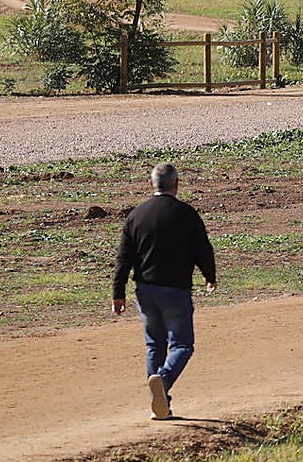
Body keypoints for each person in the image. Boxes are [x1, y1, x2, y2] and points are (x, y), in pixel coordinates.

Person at [112, 163, 216, 421]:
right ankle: (165, 380)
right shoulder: (186, 214)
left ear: (151, 185)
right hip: (175, 292)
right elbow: (203, 249)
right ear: (177, 185)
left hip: (145, 291)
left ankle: (161, 406)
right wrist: (209, 276)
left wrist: (118, 292)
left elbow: (123, 259)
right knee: (182, 345)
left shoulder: (136, 215)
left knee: (154, 346)